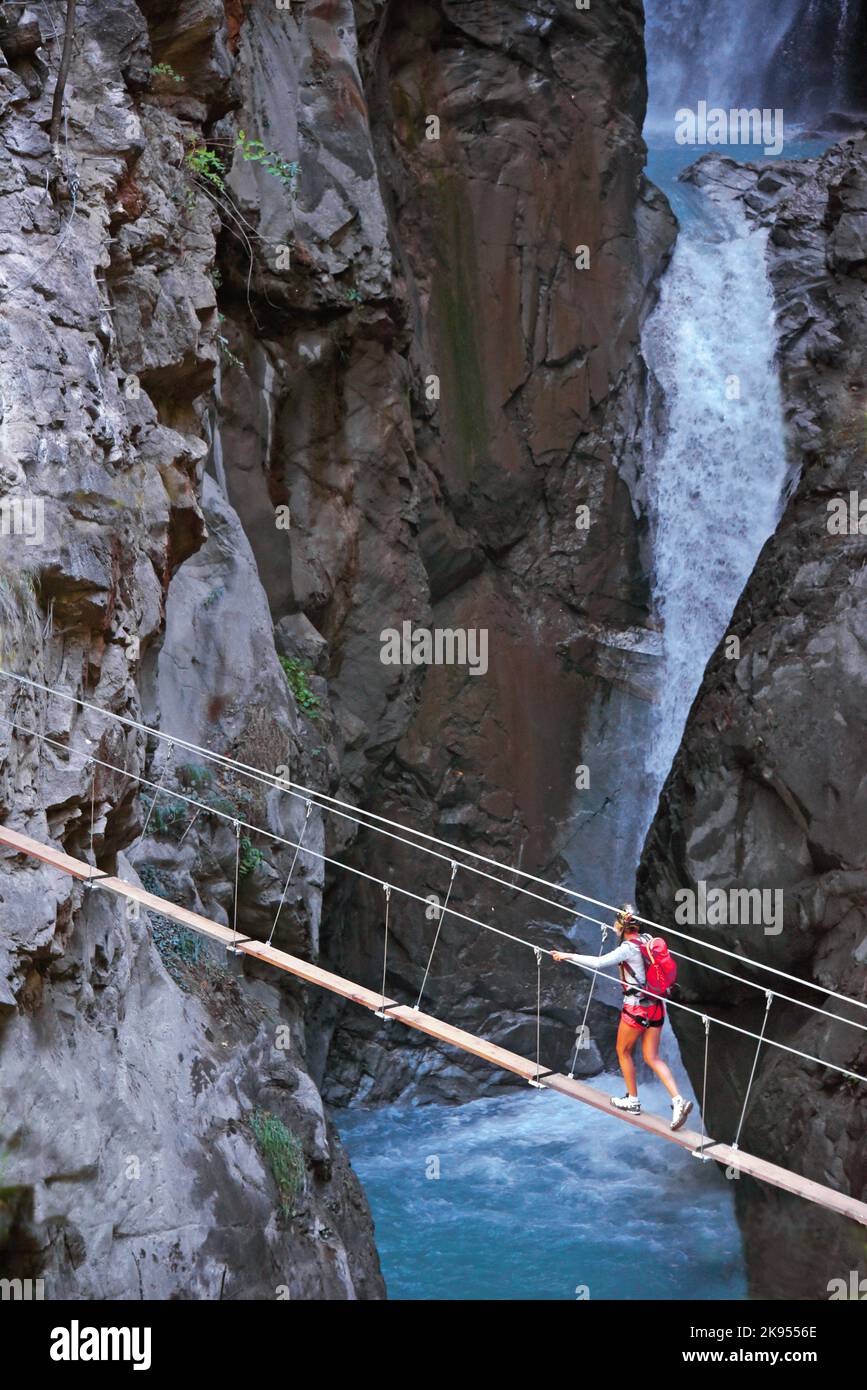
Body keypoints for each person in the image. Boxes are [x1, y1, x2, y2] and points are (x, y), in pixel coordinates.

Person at [552, 903, 693, 1130]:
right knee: (652, 1057)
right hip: (656, 1006)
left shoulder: (627, 948)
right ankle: (678, 1101)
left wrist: (567, 956)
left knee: (623, 1051)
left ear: (623, 926)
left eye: (617, 923)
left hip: (636, 1008)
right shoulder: (647, 939)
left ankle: (633, 1100)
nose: (614, 926)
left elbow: (598, 963)